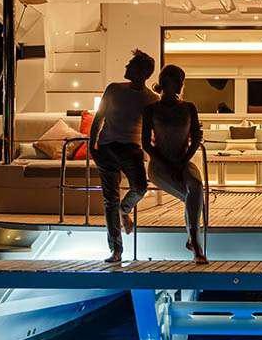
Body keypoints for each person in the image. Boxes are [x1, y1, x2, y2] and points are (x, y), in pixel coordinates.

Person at [89, 49, 159, 262]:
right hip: (107, 148)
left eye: (131, 65)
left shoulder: (151, 99)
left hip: (131, 149)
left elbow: (151, 129)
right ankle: (116, 250)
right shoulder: (113, 89)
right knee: (109, 200)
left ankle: (124, 209)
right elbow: (99, 117)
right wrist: (92, 145)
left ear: (142, 72)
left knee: (140, 187)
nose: (126, 67)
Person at [142, 64, 208, 264]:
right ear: (164, 83)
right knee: (192, 197)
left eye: (179, 81)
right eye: (175, 81)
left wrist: (182, 161)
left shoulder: (189, 108)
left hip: (183, 160)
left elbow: (196, 138)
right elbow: (146, 144)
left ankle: (193, 240)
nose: (178, 85)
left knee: (196, 186)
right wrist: (168, 164)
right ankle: (195, 244)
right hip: (159, 164)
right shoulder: (151, 109)